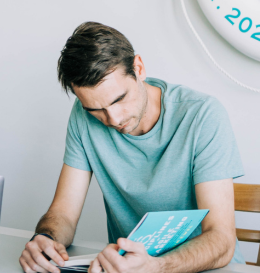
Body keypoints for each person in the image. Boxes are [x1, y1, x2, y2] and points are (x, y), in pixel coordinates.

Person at [19, 22, 245, 273]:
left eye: (119, 99)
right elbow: (64, 214)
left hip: (207, 268)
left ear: (138, 68)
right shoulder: (83, 117)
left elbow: (221, 239)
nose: (113, 119)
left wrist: (157, 267)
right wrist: (46, 239)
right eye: (96, 110)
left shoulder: (202, 115)